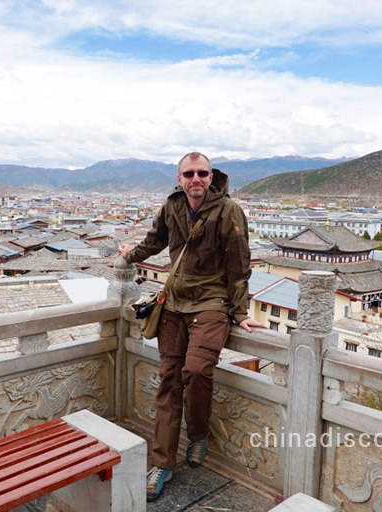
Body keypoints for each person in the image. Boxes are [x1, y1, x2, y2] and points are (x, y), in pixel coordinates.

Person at [117, 151, 267, 501]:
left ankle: (198, 435)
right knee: (168, 380)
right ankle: (162, 462)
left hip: (212, 303)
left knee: (197, 370)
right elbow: (155, 241)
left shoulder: (229, 211)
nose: (196, 179)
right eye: (189, 173)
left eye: (202, 173)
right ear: (179, 177)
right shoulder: (172, 206)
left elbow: (239, 264)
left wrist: (240, 312)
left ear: (211, 177)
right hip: (174, 302)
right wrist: (129, 254)